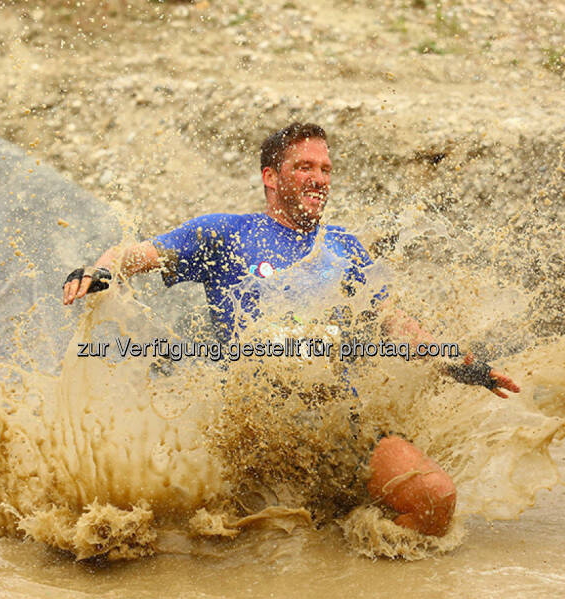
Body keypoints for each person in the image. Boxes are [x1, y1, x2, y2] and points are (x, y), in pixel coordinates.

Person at [62, 122, 520, 537]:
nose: (319, 179)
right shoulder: (223, 234)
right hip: (255, 435)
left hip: (340, 426)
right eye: (304, 167)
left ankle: (356, 568)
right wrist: (99, 270)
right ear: (270, 177)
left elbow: (397, 325)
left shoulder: (343, 247)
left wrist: (467, 367)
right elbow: (141, 253)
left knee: (434, 500)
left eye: (325, 169)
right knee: (209, 537)